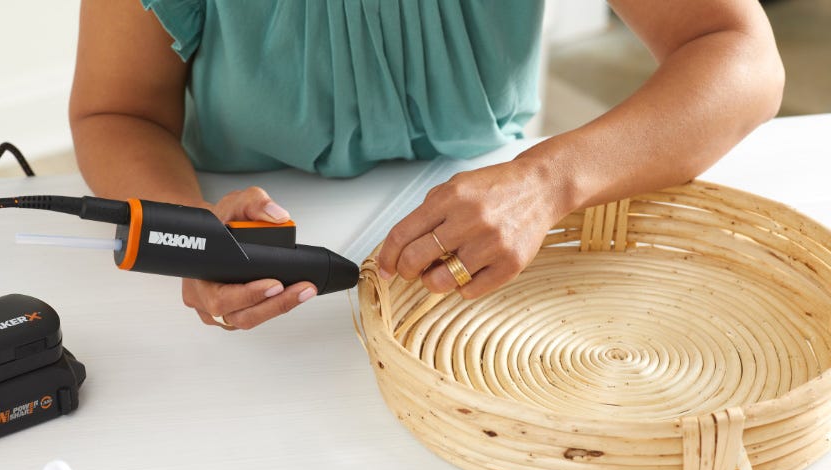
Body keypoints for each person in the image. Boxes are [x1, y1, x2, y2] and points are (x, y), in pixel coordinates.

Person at [69, 0, 784, 330]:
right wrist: (188, 231)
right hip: (243, 243)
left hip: (499, 242)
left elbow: (739, 53)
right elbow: (115, 113)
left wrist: (545, 181)